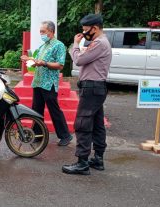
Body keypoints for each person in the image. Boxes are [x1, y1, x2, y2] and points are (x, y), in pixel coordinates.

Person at [62, 14, 112, 175]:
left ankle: (82, 162)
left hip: (92, 88)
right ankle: (98, 159)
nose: (84, 34)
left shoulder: (99, 43)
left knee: (82, 123)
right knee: (97, 125)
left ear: (95, 28)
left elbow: (79, 60)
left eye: (85, 31)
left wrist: (76, 44)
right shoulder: (100, 43)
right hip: (95, 88)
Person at [20, 21, 73, 146]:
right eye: (40, 32)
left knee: (54, 110)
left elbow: (60, 65)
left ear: (51, 31)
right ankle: (38, 134)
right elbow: (37, 61)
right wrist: (28, 60)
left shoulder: (58, 45)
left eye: (43, 31)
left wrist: (44, 63)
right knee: (36, 110)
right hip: (38, 82)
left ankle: (65, 136)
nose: (41, 34)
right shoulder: (43, 46)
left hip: (49, 83)